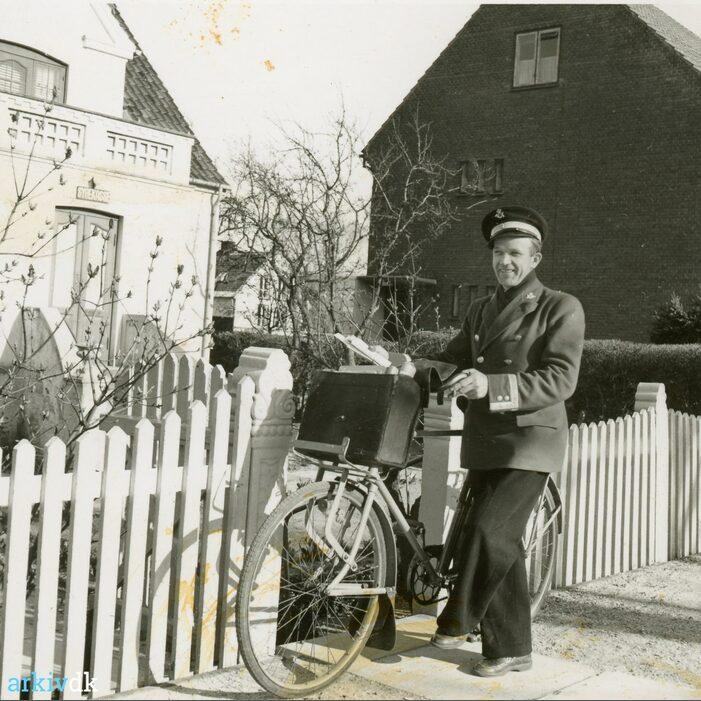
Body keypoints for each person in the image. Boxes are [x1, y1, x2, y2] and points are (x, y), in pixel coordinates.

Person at [415, 205, 585, 677]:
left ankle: (460, 622)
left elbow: (560, 379)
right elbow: (451, 361)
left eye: (514, 253)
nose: (504, 262)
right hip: (487, 441)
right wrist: (410, 365)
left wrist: (490, 386)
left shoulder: (560, 307)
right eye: (497, 253)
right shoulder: (480, 310)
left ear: (535, 259)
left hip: (530, 442)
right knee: (492, 536)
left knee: (491, 533)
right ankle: (509, 646)